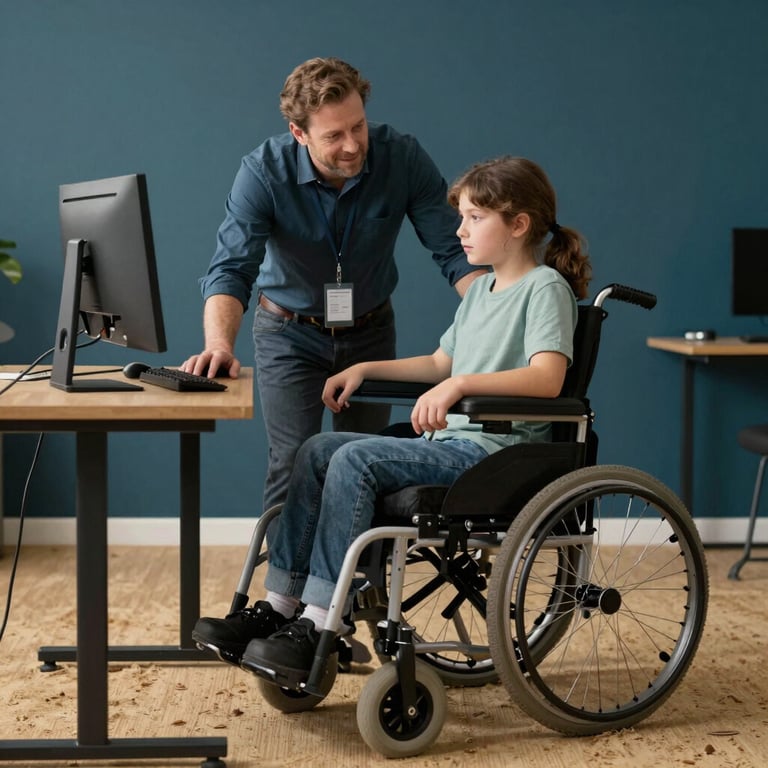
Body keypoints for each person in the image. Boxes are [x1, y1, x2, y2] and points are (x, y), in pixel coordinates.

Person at [193, 155, 592, 681]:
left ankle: (318, 622)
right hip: (456, 446)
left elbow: (547, 378)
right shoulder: (482, 295)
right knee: (314, 451)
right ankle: (281, 605)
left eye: (475, 217)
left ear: (518, 225)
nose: (460, 229)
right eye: (463, 217)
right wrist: (364, 367)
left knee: (357, 457)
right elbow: (438, 364)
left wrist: (460, 386)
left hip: (496, 455)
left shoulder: (544, 289)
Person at [182, 57, 486, 516]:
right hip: (289, 333)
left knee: (367, 460)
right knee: (293, 462)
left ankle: (361, 585)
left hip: (370, 330)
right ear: (299, 133)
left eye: (358, 127)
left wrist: (500, 315)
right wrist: (218, 344)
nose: (352, 145)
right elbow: (231, 268)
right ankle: (285, 587)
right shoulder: (263, 172)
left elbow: (454, 253)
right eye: (333, 136)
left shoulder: (401, 156)